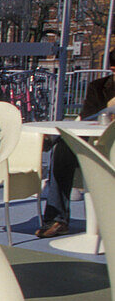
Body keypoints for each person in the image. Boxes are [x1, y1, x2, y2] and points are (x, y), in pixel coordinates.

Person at [37, 51, 115, 238]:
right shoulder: (99, 87)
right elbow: (88, 120)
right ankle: (57, 219)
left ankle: (51, 140)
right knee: (63, 148)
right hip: (98, 146)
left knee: (62, 144)